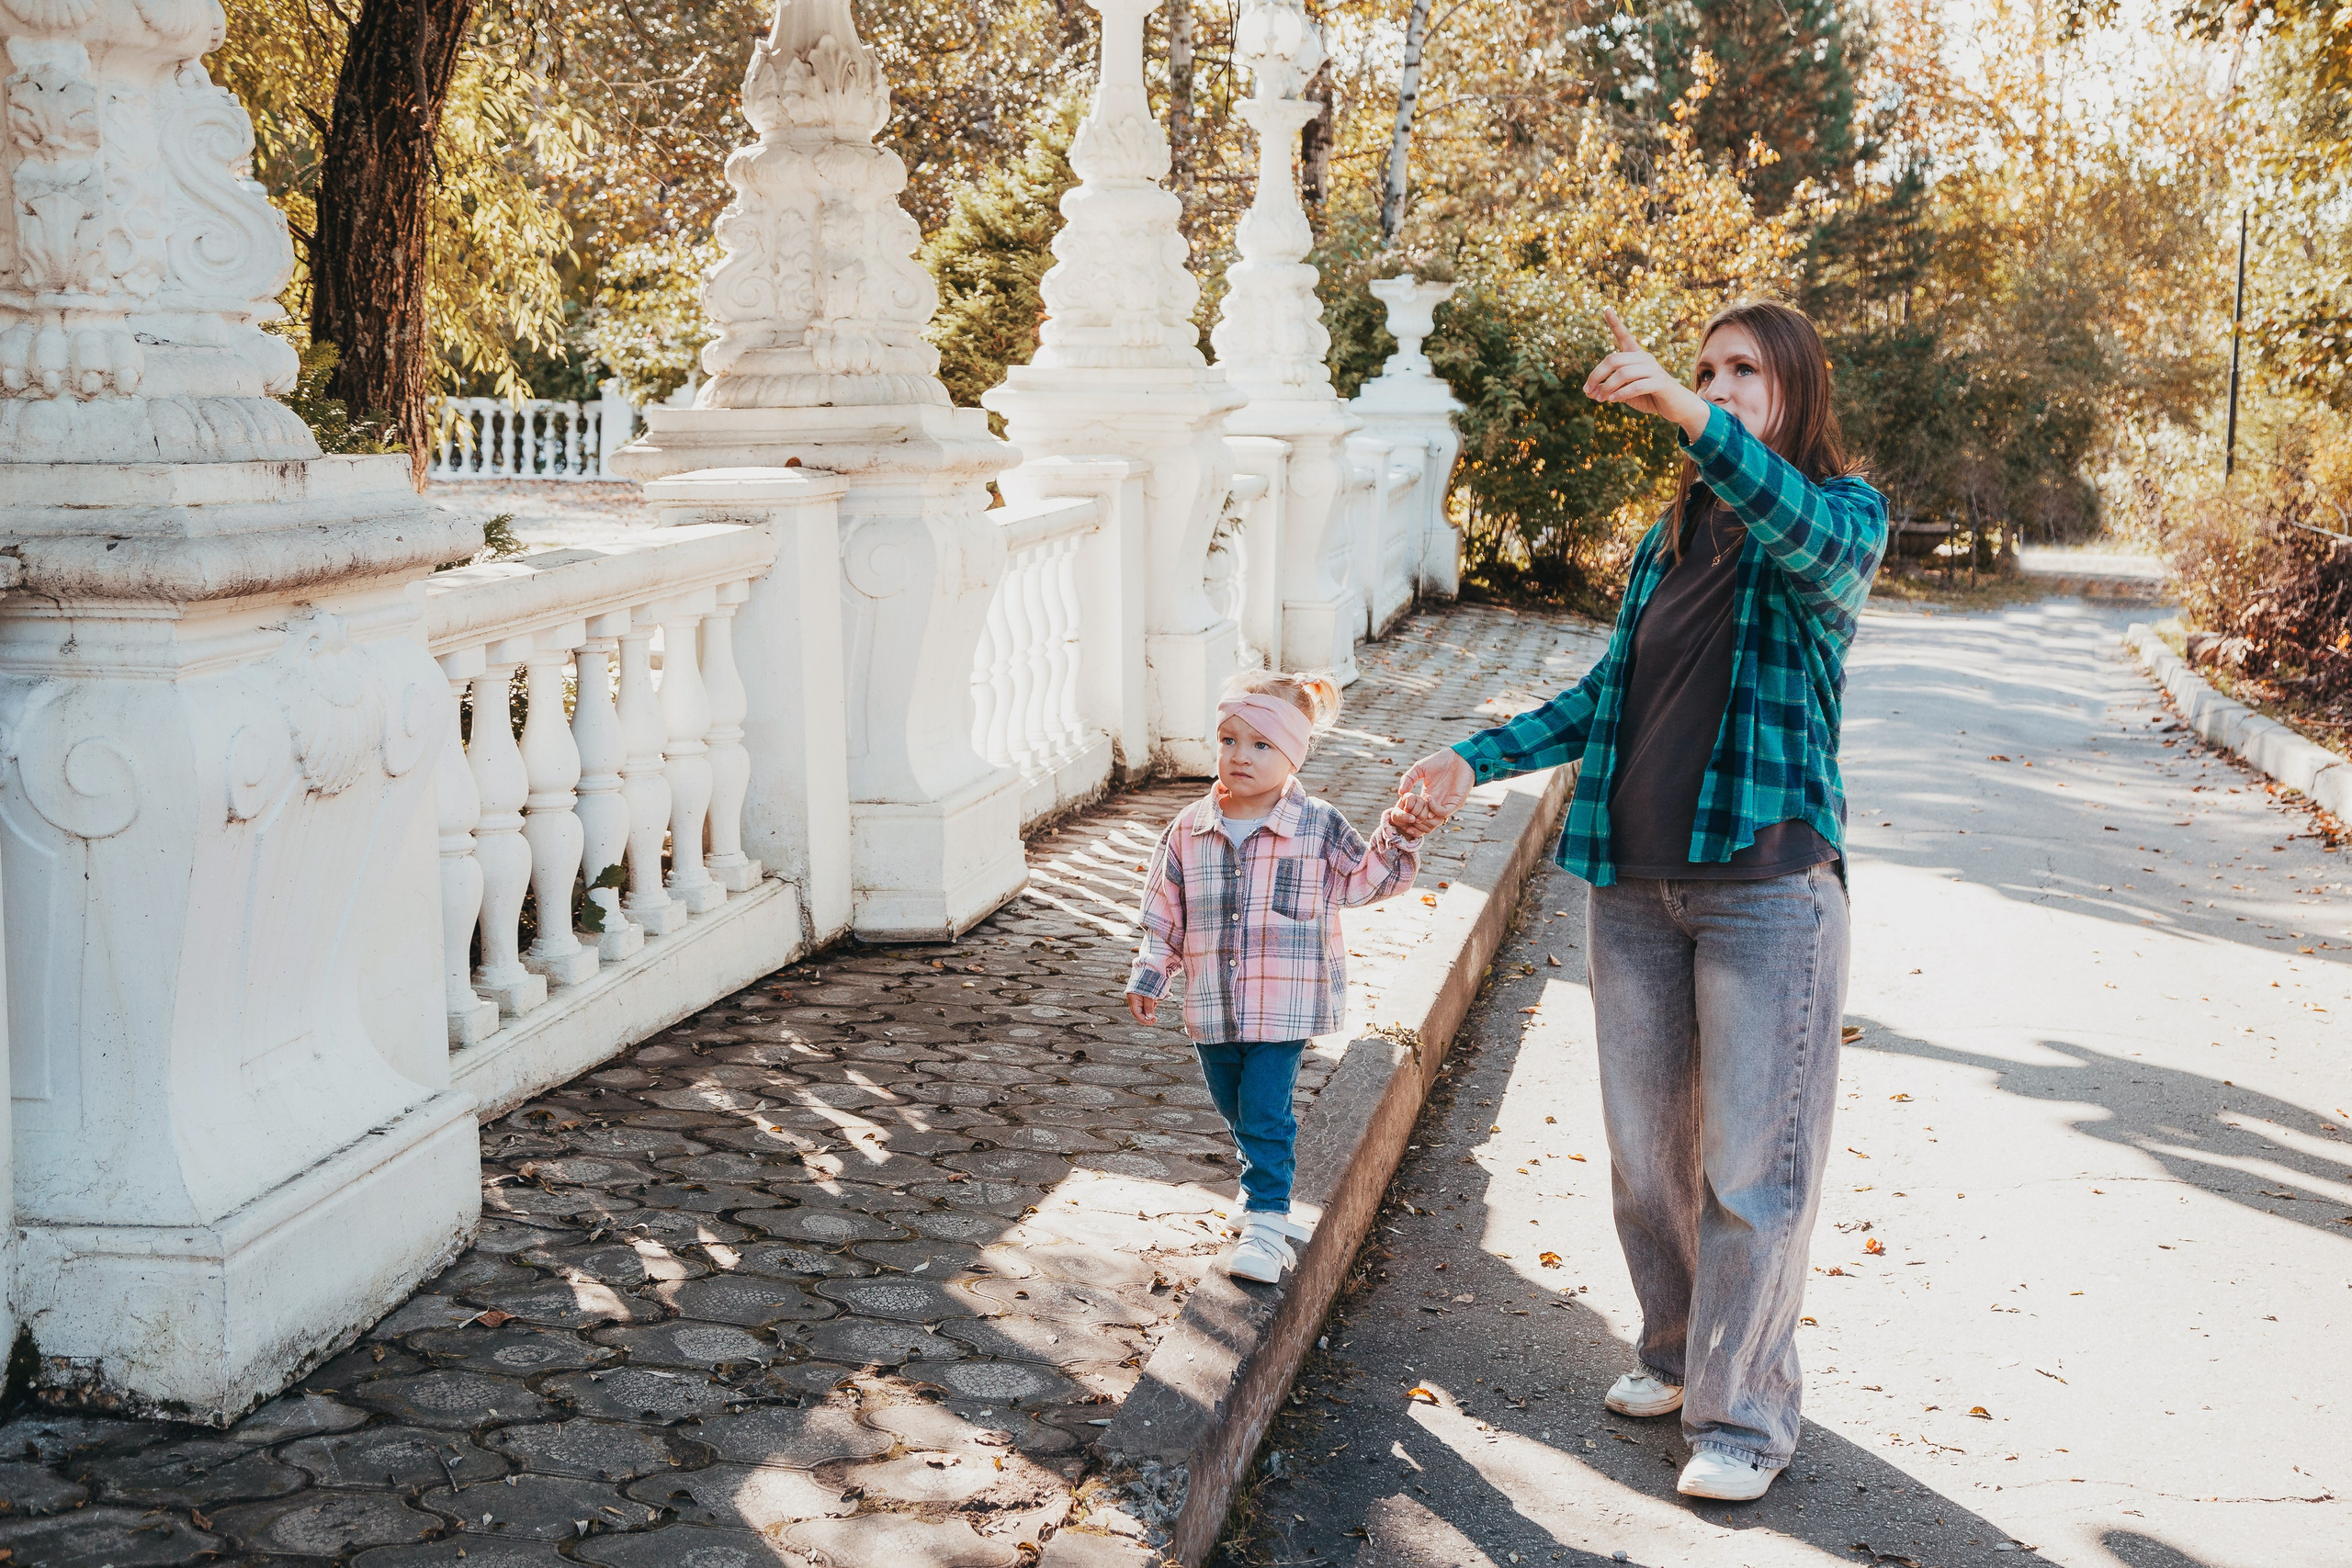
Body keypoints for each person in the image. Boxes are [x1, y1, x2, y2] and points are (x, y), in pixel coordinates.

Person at [1398, 301, 1888, 1501]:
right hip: (1633, 880)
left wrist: (1680, 407)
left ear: (1796, 393)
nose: (1718, 388)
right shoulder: (1669, 538)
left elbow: (1808, 532)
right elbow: (1605, 696)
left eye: (1744, 375)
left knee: (1752, 1167)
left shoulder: (1837, 517)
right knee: (1646, 1155)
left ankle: (1744, 1413)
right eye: (1707, 370)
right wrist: (1476, 756)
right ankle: (1675, 1352)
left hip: (1768, 890)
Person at [1128, 671, 1445, 1282]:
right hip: (1214, 1005)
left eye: (1261, 744)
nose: (1239, 755)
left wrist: (1397, 834)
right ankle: (1260, 1192)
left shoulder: (1317, 825)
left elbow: (1366, 879)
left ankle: (1267, 1224)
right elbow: (1162, 916)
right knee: (1235, 1104)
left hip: (1284, 1005)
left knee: (1267, 1109)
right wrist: (1150, 975)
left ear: (1293, 753)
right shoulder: (1187, 832)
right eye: (1229, 739)